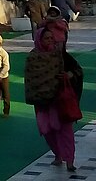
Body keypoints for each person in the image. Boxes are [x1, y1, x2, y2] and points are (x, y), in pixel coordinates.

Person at [27, 27, 83, 171]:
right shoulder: (33, 58)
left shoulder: (61, 55)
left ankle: (70, 160)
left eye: (52, 38)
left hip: (60, 99)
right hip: (42, 101)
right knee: (47, 130)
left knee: (65, 130)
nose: (50, 41)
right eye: (46, 38)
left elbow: (78, 70)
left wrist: (69, 75)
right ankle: (58, 154)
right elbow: (30, 80)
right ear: (39, 40)